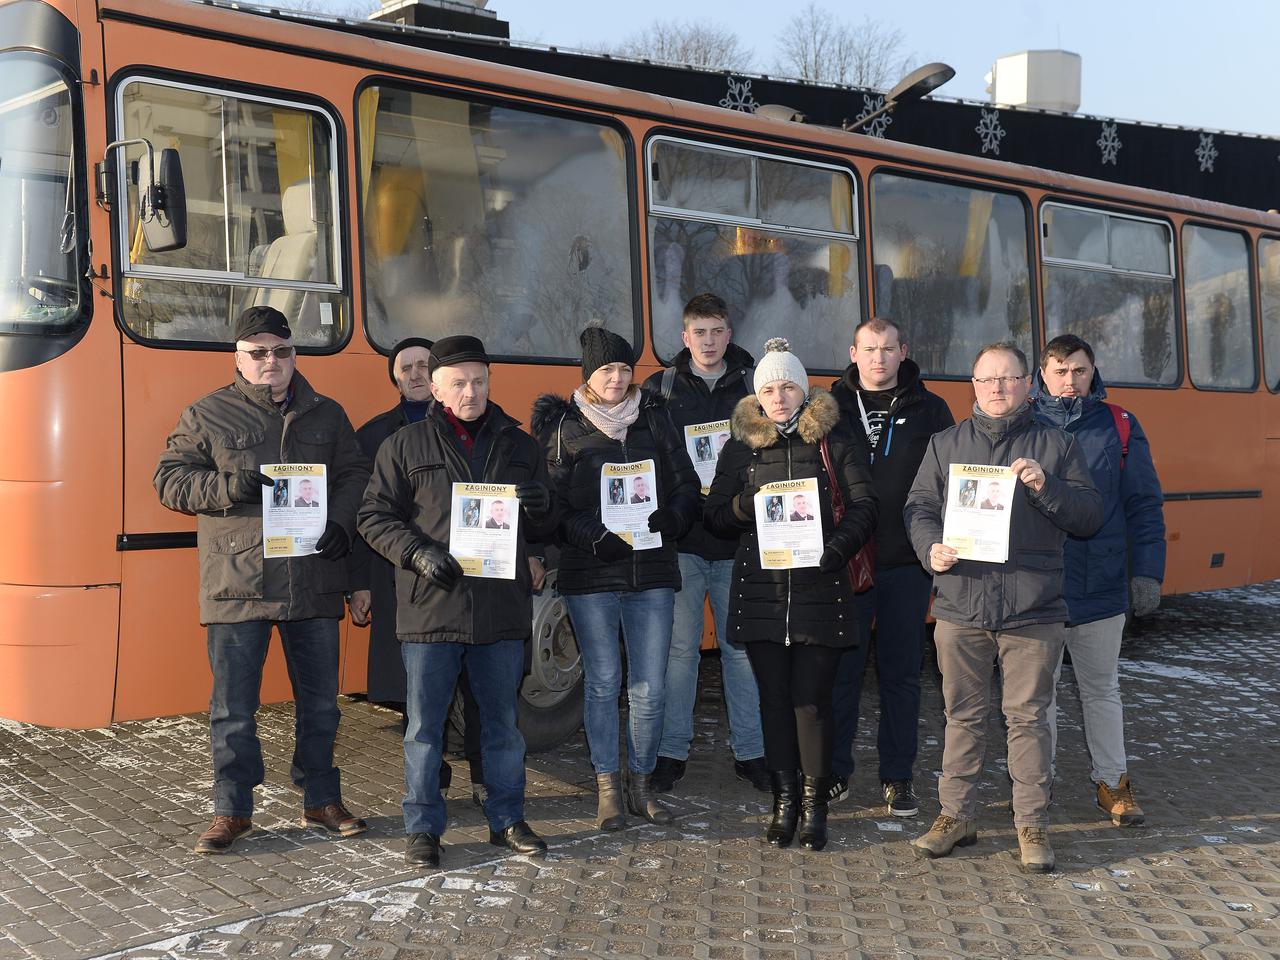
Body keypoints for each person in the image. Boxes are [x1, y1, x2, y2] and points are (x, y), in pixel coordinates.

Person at [154, 305, 371, 855]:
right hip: (238, 584)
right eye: (258, 353)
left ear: (294, 355)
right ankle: (231, 809)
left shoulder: (326, 414)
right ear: (239, 358)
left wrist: (343, 526)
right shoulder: (208, 414)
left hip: (312, 577)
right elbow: (170, 482)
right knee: (232, 707)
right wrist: (230, 486)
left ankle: (321, 798)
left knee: (321, 703)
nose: (270, 361)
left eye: (281, 351)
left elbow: (354, 475)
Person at [359, 335, 557, 869]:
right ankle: (423, 828)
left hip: (500, 608)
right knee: (424, 729)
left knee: (502, 726)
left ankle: (508, 819)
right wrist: (418, 554)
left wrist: (542, 507)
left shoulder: (521, 446)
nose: (471, 392)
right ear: (438, 389)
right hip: (431, 607)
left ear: (490, 382)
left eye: (479, 381)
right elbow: (374, 518)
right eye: (459, 383)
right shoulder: (404, 445)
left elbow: (542, 524)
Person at [904, 341, 1103, 873]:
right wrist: (931, 548)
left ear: (1027, 384)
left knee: (1029, 719)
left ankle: (1030, 824)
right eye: (986, 380)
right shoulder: (946, 443)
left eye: (1008, 378)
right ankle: (955, 816)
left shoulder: (1057, 445)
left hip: (1032, 608)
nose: (997, 389)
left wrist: (1047, 486)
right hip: (960, 604)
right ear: (973, 386)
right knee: (961, 717)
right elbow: (919, 506)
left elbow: (1089, 516)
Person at [704, 338, 877, 851]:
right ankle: (783, 802)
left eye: (787, 386)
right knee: (774, 702)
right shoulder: (740, 448)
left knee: (812, 704)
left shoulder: (836, 441)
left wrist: (835, 552)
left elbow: (867, 507)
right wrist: (741, 506)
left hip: (821, 589)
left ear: (804, 390)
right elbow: (713, 515)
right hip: (761, 591)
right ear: (757, 397)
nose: (778, 397)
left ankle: (814, 804)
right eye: (768, 389)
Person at [532, 326, 699, 831]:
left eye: (625, 369)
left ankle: (642, 785)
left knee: (649, 686)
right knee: (603, 683)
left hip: (650, 571)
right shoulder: (564, 429)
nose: (617, 378)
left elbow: (686, 482)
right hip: (591, 573)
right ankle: (607, 788)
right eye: (607, 369)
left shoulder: (656, 417)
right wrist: (591, 536)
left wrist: (674, 516)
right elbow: (552, 508)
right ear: (588, 375)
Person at [346, 337, 490, 807]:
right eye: (405, 367)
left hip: (474, 580)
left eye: (423, 365)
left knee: (476, 686)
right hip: (400, 577)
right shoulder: (374, 435)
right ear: (394, 376)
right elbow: (365, 514)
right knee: (418, 688)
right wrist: (359, 583)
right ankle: (435, 777)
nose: (415, 373)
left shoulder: (482, 429)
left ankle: (480, 768)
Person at [1032, 334, 1165, 827]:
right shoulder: (1022, 423)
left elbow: (1144, 504)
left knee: (1101, 689)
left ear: (1093, 373)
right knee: (1035, 694)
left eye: (1079, 370)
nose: (1070, 380)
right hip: (1037, 585)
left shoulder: (1119, 426)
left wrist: (1147, 571)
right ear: (1042, 374)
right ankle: (1035, 786)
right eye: (1060, 370)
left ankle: (1113, 784)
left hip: (1102, 583)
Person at [828, 316, 955, 817]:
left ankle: (897, 776)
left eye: (887, 349)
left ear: (904, 351)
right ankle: (835, 769)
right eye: (869, 349)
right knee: (843, 671)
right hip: (846, 561)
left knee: (902, 676)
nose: (878, 358)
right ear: (853, 352)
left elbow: (953, 480)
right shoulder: (828, 406)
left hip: (908, 563)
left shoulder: (931, 408)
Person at [642, 293, 767, 795]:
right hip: (685, 542)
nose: (709, 341)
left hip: (740, 539)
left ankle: (752, 752)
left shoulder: (755, 384)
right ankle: (671, 752)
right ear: (684, 336)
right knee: (680, 652)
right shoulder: (662, 388)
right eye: (700, 332)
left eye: (717, 331)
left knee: (740, 652)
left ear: (730, 333)